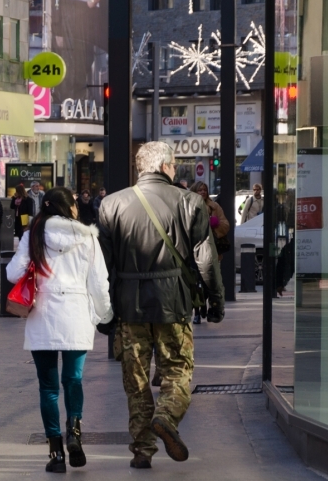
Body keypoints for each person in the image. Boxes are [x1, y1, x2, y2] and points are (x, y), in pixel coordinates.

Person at [96, 141, 224, 469]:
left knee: (136, 380)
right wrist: (216, 300)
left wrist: (103, 309)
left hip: (129, 307)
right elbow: (206, 259)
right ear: (166, 166)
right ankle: (166, 416)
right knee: (178, 370)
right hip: (174, 303)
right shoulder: (190, 203)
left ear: (141, 168)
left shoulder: (111, 205)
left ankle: (142, 450)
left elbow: (103, 266)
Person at [7, 187, 113, 473]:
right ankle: (75, 432)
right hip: (76, 315)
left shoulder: (34, 234)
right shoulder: (88, 237)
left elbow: (12, 273)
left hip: (43, 315)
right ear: (70, 208)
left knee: (49, 388)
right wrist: (105, 315)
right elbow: (99, 282)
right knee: (73, 379)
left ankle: (55, 452)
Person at [189, 181, 230, 324]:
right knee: (195, 283)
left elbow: (226, 225)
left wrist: (216, 225)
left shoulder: (215, 207)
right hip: (193, 251)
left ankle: (205, 305)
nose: (202, 192)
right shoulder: (188, 206)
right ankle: (197, 312)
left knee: (208, 282)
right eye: (200, 190)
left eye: (204, 190)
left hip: (211, 250)